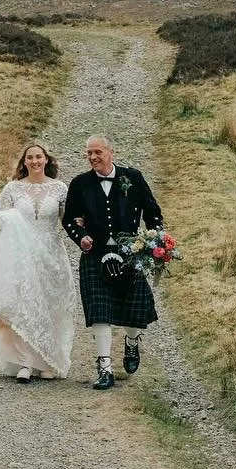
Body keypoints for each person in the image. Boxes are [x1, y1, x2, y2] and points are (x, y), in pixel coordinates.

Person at [0, 143, 78, 383]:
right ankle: (26, 362)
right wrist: (1, 221)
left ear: (46, 160)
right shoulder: (13, 189)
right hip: (21, 255)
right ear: (24, 162)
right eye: (30, 158)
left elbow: (67, 221)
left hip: (51, 255)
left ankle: (49, 361)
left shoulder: (59, 188)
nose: (35, 161)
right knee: (24, 306)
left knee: (51, 306)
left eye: (39, 157)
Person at [62, 135, 163, 390]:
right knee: (100, 312)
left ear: (111, 152)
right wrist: (82, 237)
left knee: (135, 310)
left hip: (131, 254)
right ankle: (105, 368)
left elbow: (152, 213)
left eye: (98, 152)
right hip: (95, 255)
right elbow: (70, 218)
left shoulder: (133, 177)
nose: (93, 157)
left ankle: (131, 343)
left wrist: (154, 239)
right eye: (89, 153)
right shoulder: (80, 183)